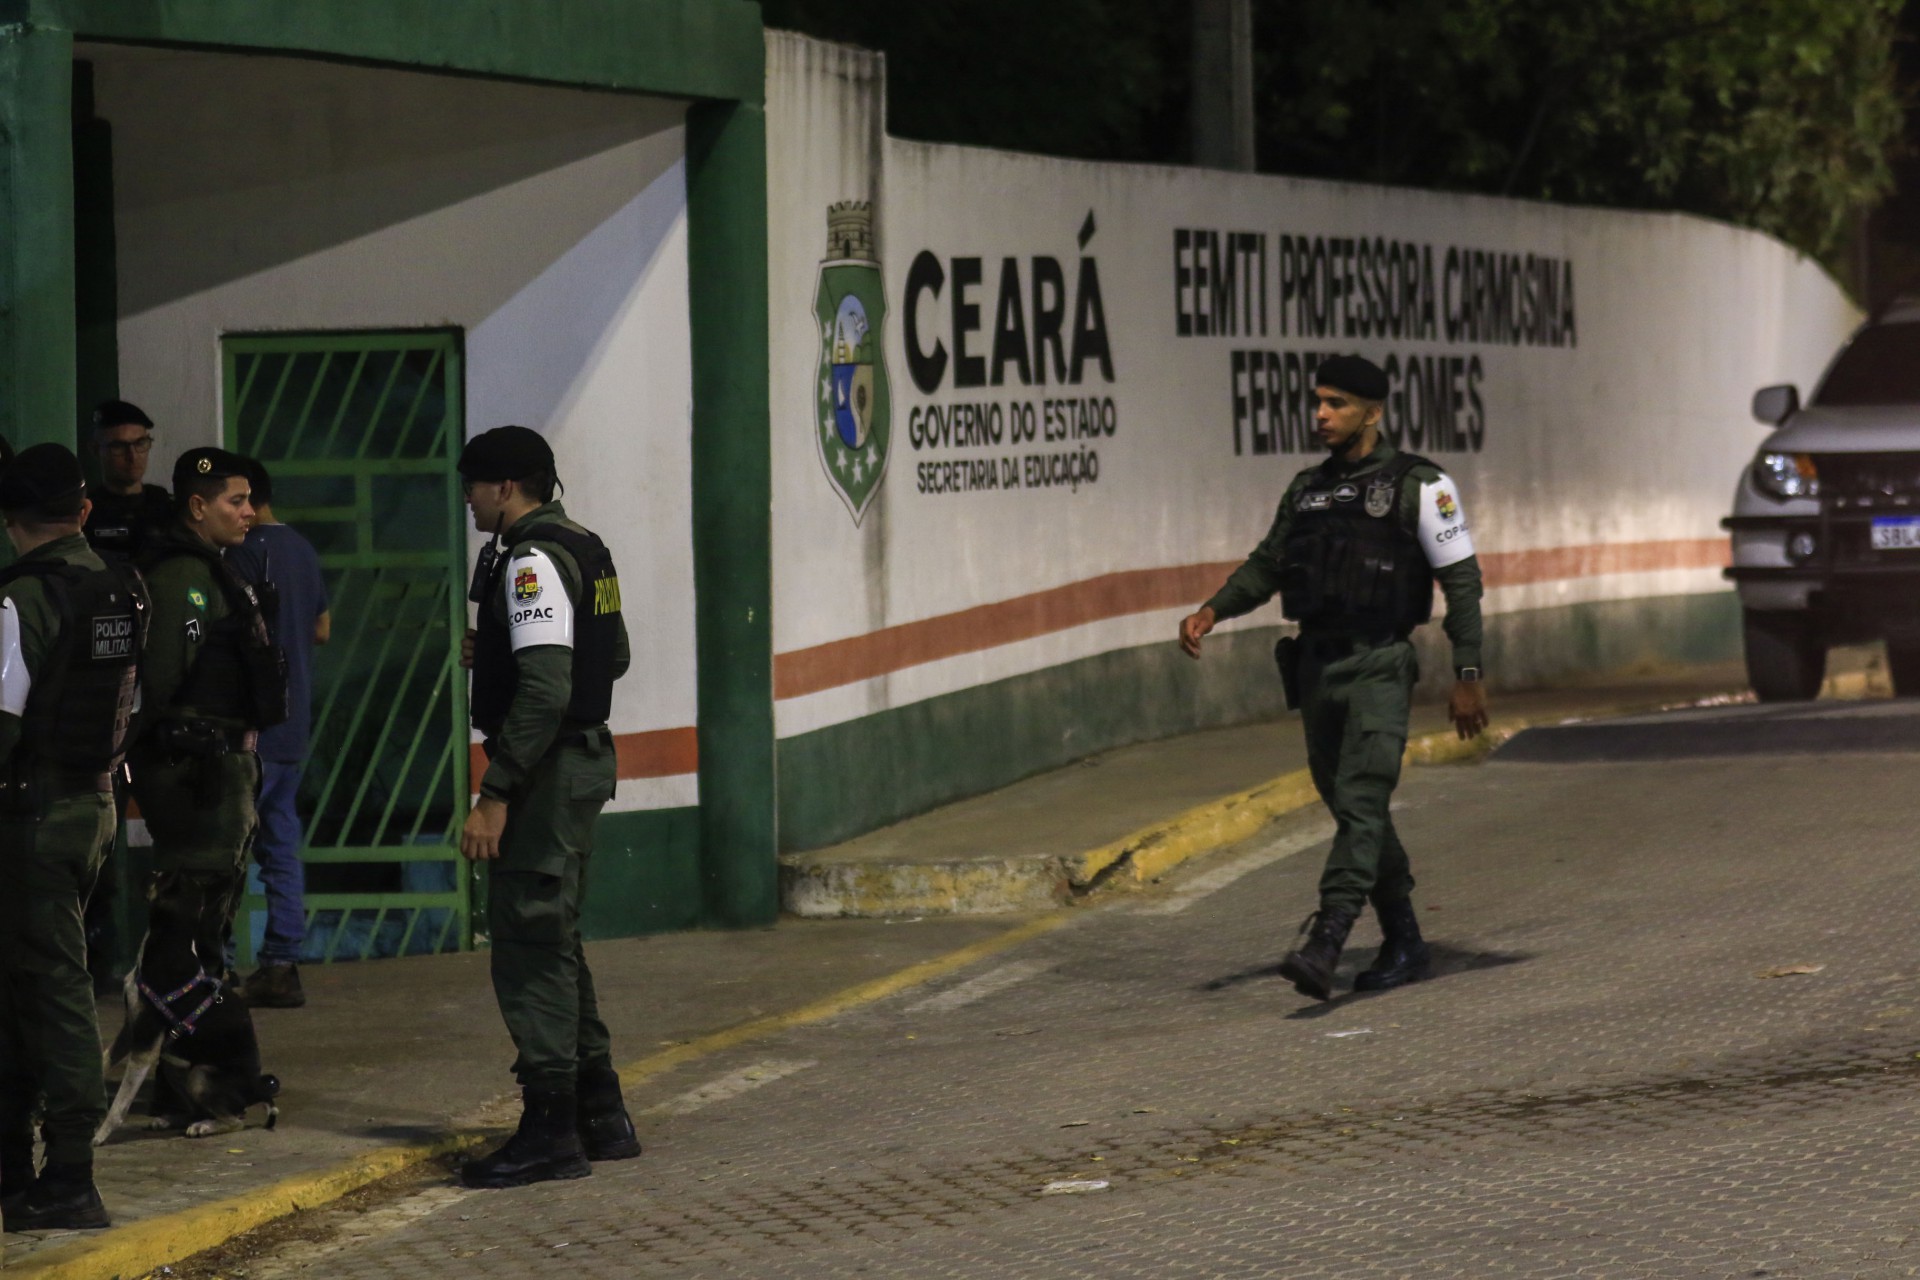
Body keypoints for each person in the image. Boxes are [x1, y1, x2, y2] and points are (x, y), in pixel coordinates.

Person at [1179, 354, 1489, 1001]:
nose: (1320, 414)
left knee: (1363, 797)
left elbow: (1461, 581)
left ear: (1372, 412)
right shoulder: (1306, 491)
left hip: (1379, 663)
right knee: (1355, 807)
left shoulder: (1423, 485)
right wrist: (1213, 609)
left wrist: (1468, 673)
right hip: (1317, 668)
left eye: (1336, 403)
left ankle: (1329, 937)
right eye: (1318, 401)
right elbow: (1267, 565)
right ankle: (1405, 939)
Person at [455, 425, 639, 1189]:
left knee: (530, 945)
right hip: (579, 763)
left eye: (472, 485)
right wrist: (497, 649)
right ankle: (600, 1114)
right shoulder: (583, 545)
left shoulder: (529, 560)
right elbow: (614, 654)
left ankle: (549, 1132)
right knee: (556, 939)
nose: (466, 499)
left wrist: (494, 793)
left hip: (545, 774)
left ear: (504, 488)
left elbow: (545, 689)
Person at [0, 444, 145, 1231]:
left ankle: (68, 1172)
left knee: (49, 989)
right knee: (36, 980)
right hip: (93, 809)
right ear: (83, 510)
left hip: (32, 817)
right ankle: (26, 1168)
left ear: (10, 519)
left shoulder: (24, 599)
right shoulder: (120, 585)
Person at [127, 448, 285, 1061]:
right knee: (193, 936)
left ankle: (195, 1073)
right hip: (198, 778)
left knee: (208, 930)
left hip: (215, 774)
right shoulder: (185, 578)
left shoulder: (214, 569)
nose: (249, 512)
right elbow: (166, 681)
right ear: (198, 506)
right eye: (235, 501)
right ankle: (204, 1080)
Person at [226, 458, 330, 1009]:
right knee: (282, 846)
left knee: (226, 849)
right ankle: (283, 965)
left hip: (251, 731)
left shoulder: (242, 552)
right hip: (294, 728)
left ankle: (213, 968)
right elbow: (322, 628)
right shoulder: (303, 550)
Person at [82, 400, 172, 560]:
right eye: (118, 446)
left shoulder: (164, 505)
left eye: (140, 443)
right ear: (96, 450)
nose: (132, 456)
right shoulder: (87, 512)